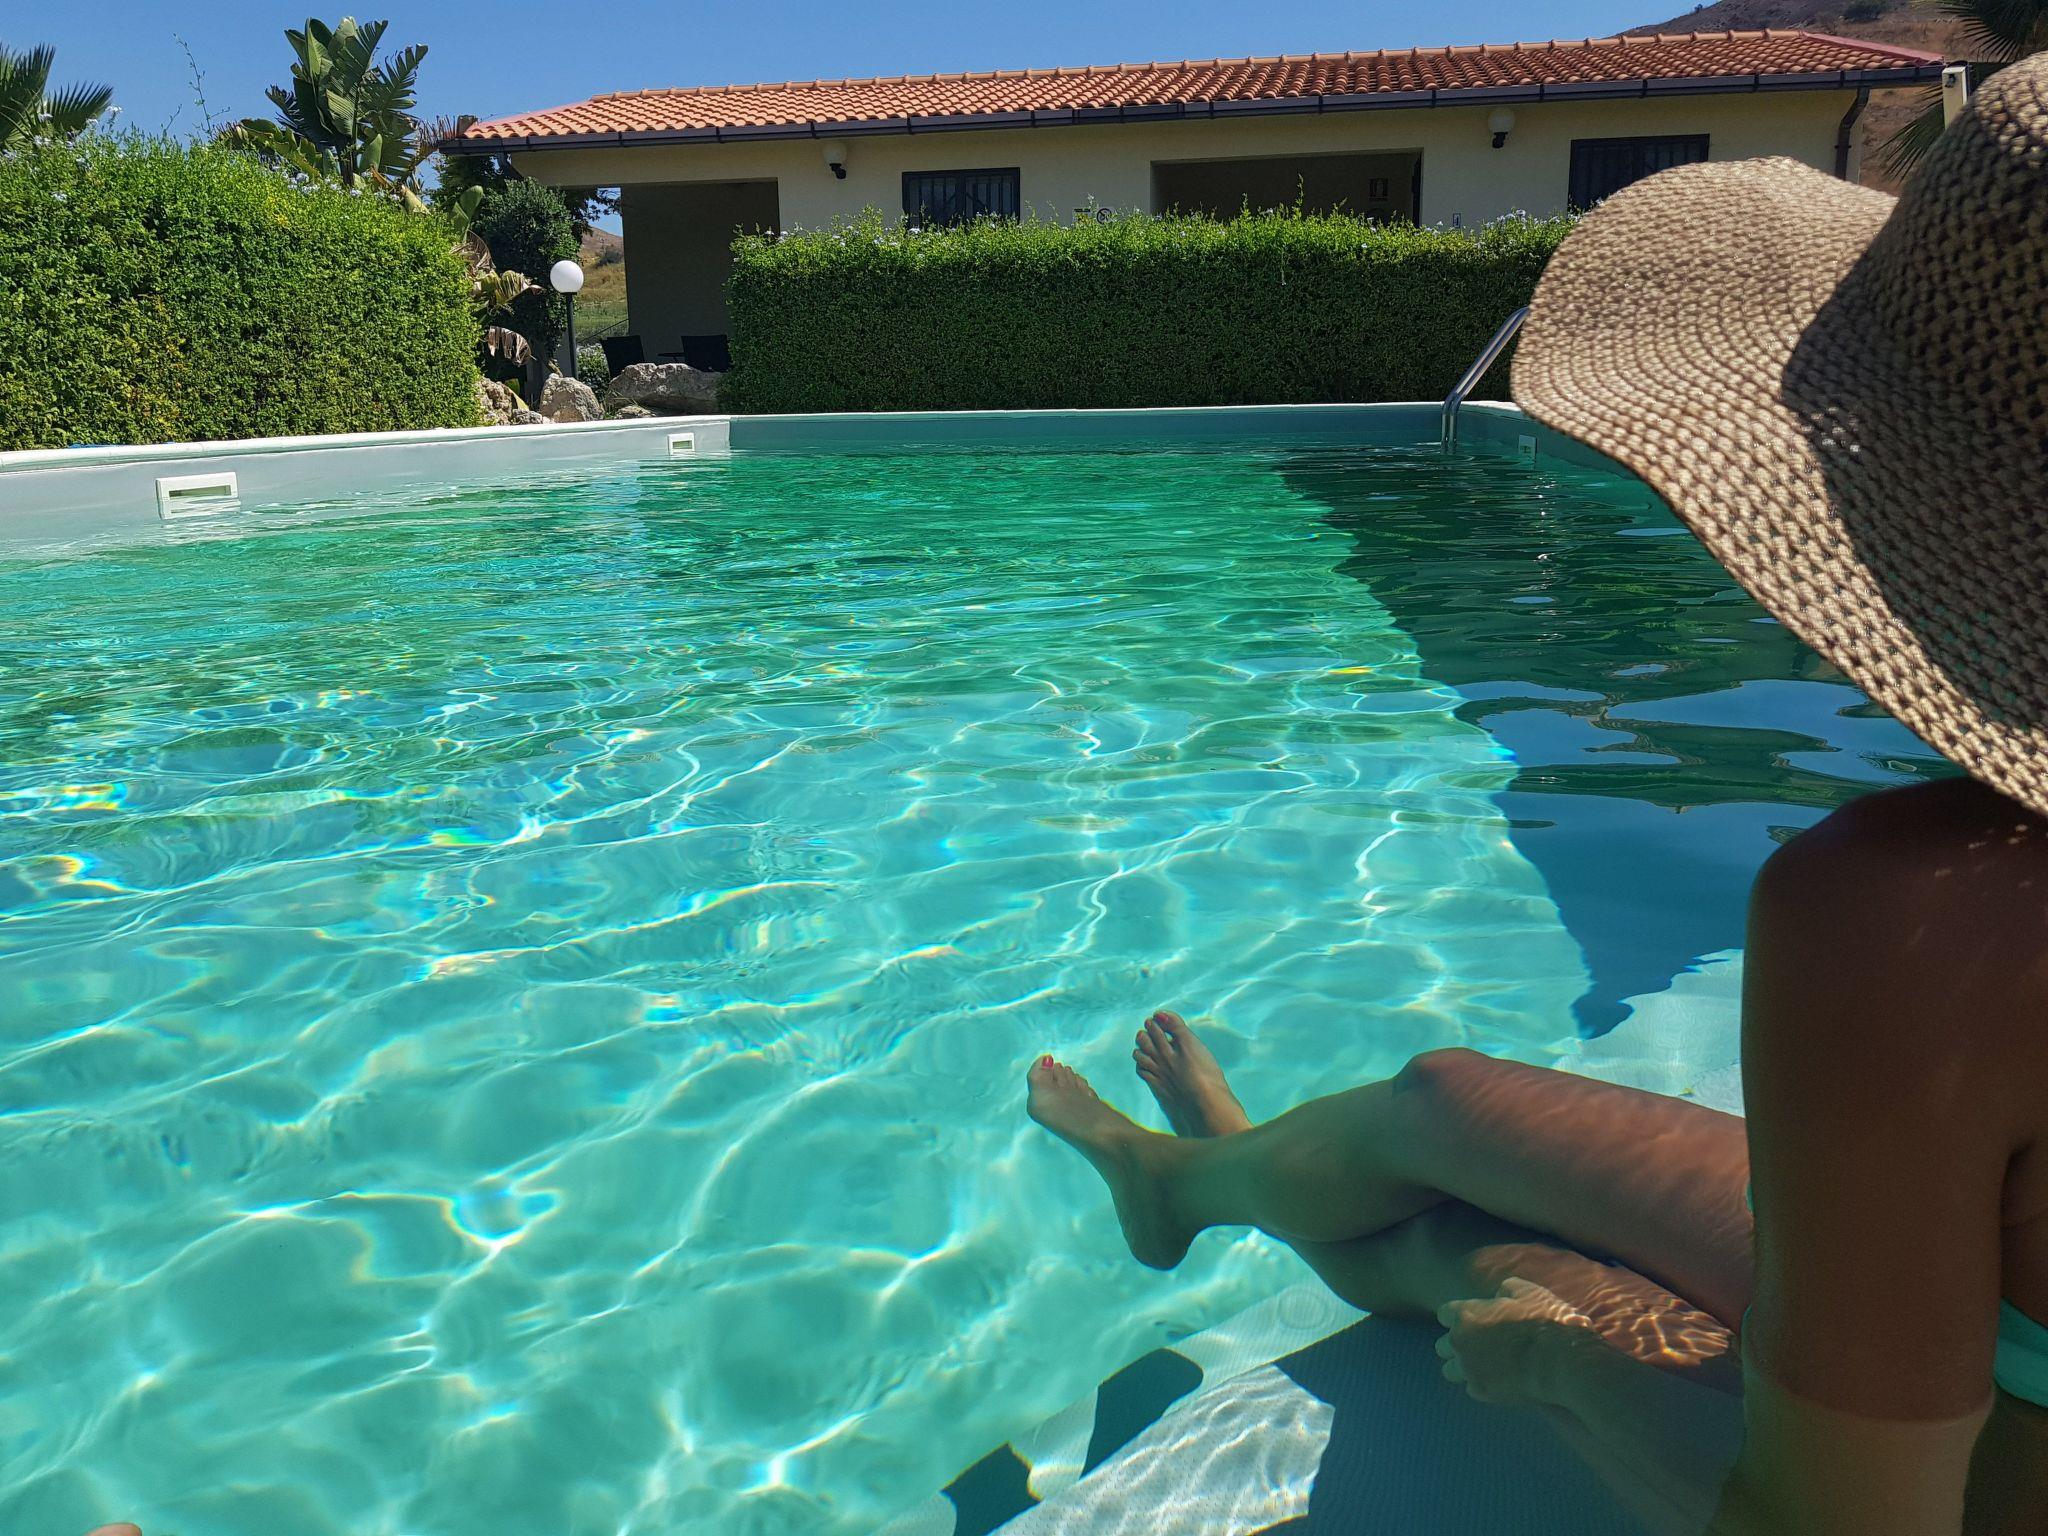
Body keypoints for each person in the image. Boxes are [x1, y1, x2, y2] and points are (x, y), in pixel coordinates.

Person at [1029, 52, 2048, 1536]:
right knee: (1447, 1101)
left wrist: (1571, 1381)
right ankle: (1189, 1174)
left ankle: (1177, 1174)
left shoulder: (1928, 918)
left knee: (1485, 1265)